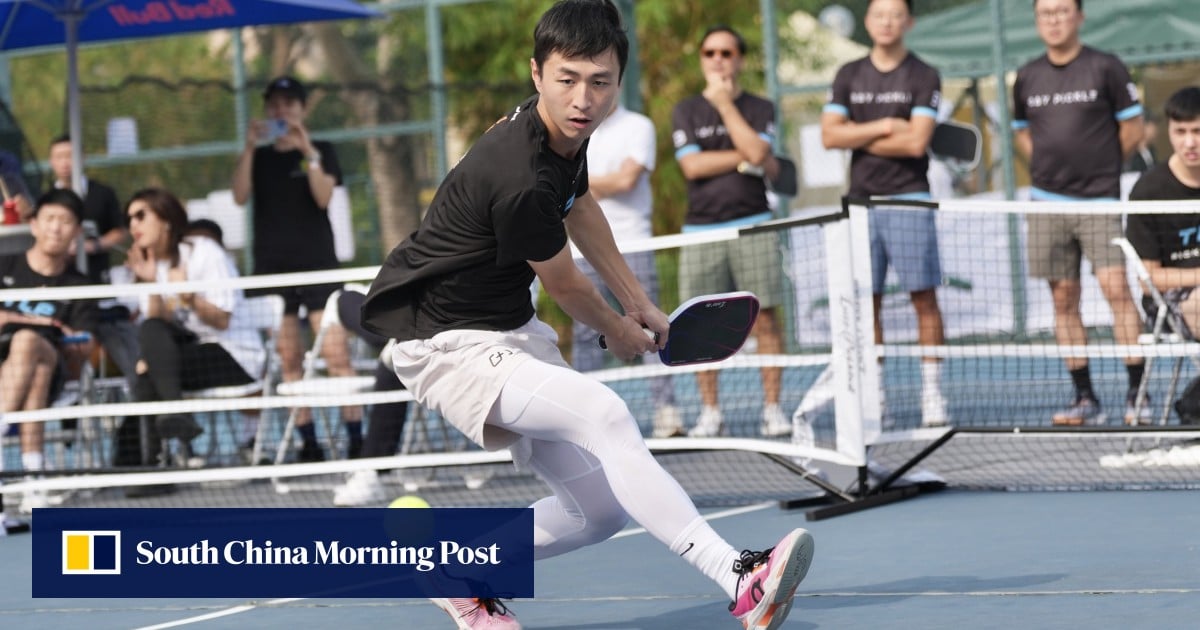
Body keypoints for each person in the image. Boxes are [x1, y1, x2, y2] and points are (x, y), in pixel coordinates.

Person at [361, 2, 813, 628]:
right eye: (567, 79)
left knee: (596, 512)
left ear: (616, 83)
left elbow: (581, 206)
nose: (583, 97)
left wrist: (640, 303)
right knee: (607, 414)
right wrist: (618, 329)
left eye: (599, 82)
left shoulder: (564, 139)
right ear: (536, 74)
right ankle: (739, 576)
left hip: (505, 329)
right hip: (443, 342)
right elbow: (567, 284)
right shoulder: (515, 171)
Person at [1012, 0, 1147, 425]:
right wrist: (1049, 172)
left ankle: (1136, 396)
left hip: (1100, 202)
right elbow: (1022, 132)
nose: (1054, 20)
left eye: (1062, 11)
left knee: (1117, 291)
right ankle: (1085, 398)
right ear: (1037, 20)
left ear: (1079, 16)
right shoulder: (1027, 76)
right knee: (1063, 299)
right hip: (1047, 205)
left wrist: (1100, 170)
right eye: (1045, 13)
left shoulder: (1106, 67)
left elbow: (1133, 128)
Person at [817, 0, 947, 428]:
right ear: (868, 22)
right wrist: (886, 126)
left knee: (923, 299)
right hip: (859, 204)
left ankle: (933, 394)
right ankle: (875, 396)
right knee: (864, 304)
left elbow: (916, 143)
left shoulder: (924, 74)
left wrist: (856, 135)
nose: (887, 22)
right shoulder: (849, 74)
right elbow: (829, 135)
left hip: (909, 198)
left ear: (907, 22)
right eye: (879, 14)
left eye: (895, 15)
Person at [231, 76, 361, 461]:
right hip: (274, 273)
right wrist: (250, 147)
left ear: (303, 109)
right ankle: (308, 441)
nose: (281, 111)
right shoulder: (260, 158)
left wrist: (307, 151)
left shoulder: (321, 150)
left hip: (318, 267)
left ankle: (356, 437)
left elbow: (323, 197)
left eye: (289, 104)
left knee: (337, 355)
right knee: (290, 360)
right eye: (274, 105)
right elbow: (239, 195)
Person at [670, 25, 791, 438]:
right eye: (710, 53)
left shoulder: (760, 107)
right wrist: (743, 154)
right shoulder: (684, 110)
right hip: (700, 231)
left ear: (739, 58)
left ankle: (773, 409)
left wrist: (724, 106)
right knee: (699, 323)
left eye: (726, 52)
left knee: (768, 319)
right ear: (702, 59)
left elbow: (759, 153)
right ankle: (710, 412)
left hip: (753, 225)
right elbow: (692, 167)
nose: (717, 59)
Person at [111, 189, 266, 472]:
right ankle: (156, 449)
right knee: (151, 339)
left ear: (166, 218)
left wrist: (188, 295)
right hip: (186, 355)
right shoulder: (152, 265)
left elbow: (222, 320)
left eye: (141, 216)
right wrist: (150, 283)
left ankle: (136, 465)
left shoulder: (204, 252)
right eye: (129, 218)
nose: (133, 225)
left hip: (234, 356)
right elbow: (157, 324)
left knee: (149, 373)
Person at [571, 98, 681, 438]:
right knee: (585, 334)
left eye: (603, 81)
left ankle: (667, 412)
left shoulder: (639, 126)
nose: (592, 92)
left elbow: (626, 181)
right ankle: (584, 419)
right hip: (581, 251)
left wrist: (575, 184)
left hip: (633, 244)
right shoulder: (572, 133)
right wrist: (583, 185)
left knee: (651, 327)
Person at [0, 189, 98, 512]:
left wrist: (53, 333)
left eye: (65, 221)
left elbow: (85, 344)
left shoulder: (79, 286)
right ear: (34, 225)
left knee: (28, 343)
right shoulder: (5, 267)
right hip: (13, 369)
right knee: (34, 371)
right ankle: (34, 479)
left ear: (76, 232)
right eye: (50, 219)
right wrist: (39, 321)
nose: (56, 228)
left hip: (57, 370)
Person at [47, 134, 139, 389]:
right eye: (59, 156)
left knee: (122, 346)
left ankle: (136, 393)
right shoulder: (47, 199)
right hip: (64, 293)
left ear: (83, 158)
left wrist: (93, 246)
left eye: (71, 155)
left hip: (99, 289)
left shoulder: (102, 194)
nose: (65, 162)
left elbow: (120, 230)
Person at [1126, 87, 1200, 347]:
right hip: (1169, 305)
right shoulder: (1148, 191)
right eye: (1180, 132)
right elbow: (1149, 281)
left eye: (1197, 131)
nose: (1189, 142)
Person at [330, 288, 411, 506]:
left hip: (454, 330)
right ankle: (397, 340)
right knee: (345, 298)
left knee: (393, 362)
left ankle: (370, 471)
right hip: (410, 324)